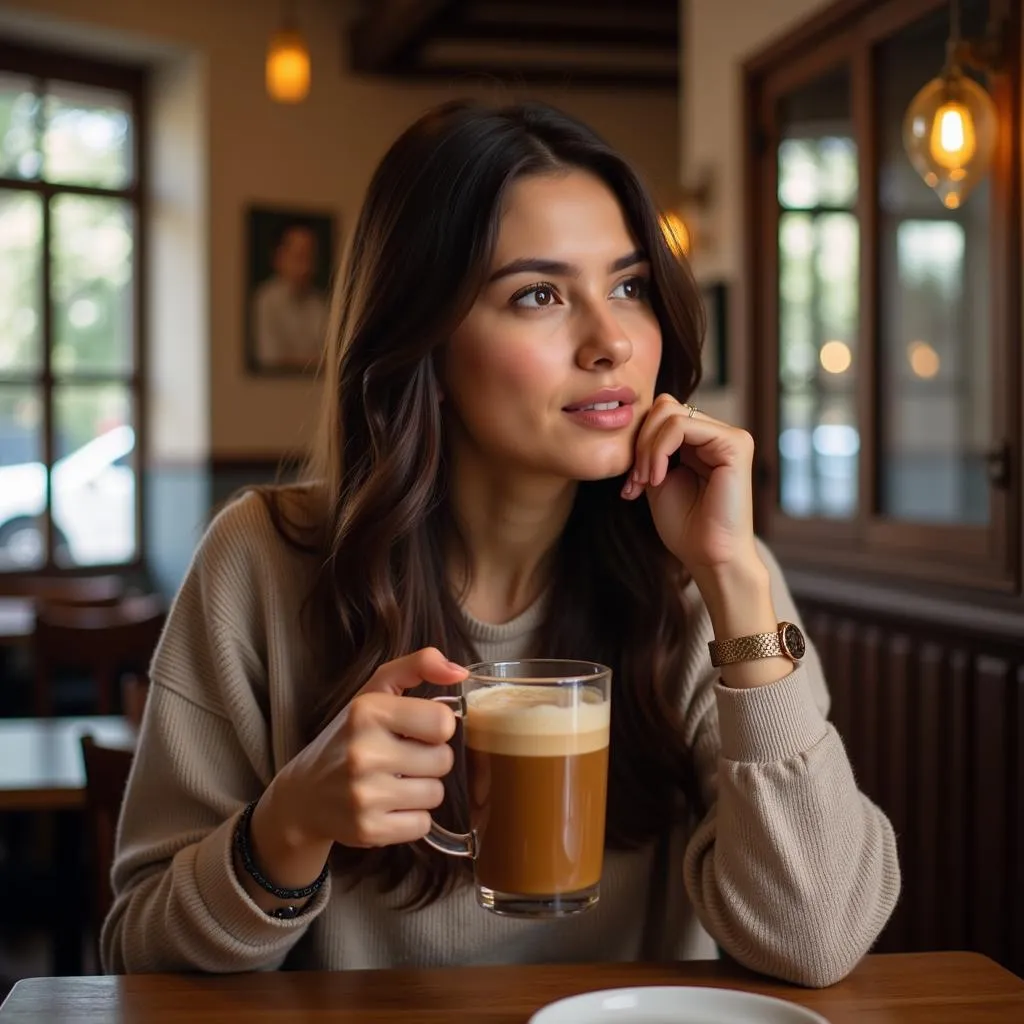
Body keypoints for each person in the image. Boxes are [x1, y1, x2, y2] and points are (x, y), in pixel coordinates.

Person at [103, 100, 900, 985]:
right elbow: (139, 955)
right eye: (539, 295)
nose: (612, 343)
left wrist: (734, 580)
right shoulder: (261, 561)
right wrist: (288, 826)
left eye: (630, 286)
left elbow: (819, 936)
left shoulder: (704, 569)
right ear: (427, 344)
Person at [251, 220, 328, 370]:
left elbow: (330, 356)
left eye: (310, 256)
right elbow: (270, 360)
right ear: (279, 257)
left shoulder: (319, 303)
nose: (306, 266)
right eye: (300, 256)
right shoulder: (265, 300)